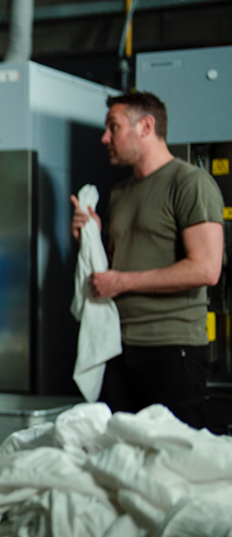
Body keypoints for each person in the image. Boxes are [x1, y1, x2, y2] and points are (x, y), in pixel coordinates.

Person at [71, 92, 223, 429]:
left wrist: (121, 282)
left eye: (114, 127)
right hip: (120, 345)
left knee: (177, 458)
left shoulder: (190, 183)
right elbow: (119, 262)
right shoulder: (121, 192)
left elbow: (206, 269)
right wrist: (92, 238)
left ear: (146, 126)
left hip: (172, 346)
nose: (105, 137)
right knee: (122, 453)